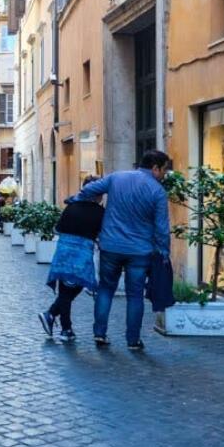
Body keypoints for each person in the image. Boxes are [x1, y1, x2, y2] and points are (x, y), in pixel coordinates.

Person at [67, 149, 170, 350]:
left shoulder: (117, 177)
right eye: (164, 170)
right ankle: (133, 340)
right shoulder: (157, 192)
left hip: (110, 246)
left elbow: (89, 189)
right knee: (135, 295)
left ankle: (99, 333)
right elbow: (162, 229)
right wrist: (164, 253)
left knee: (105, 289)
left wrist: (77, 199)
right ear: (155, 168)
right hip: (140, 250)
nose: (164, 175)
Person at [39, 176, 105, 341]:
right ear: (96, 194)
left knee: (67, 289)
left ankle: (51, 315)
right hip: (81, 256)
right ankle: (65, 329)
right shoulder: (100, 212)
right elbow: (101, 234)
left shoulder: (71, 206)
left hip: (63, 253)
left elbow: (58, 228)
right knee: (70, 290)